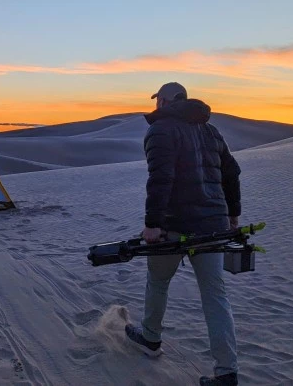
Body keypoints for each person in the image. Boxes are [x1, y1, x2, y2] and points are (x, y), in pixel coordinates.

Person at [124, 82, 242, 386]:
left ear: (164, 101)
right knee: (216, 297)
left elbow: (161, 178)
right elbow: (232, 172)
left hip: (175, 225)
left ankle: (151, 337)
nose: (156, 105)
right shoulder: (210, 131)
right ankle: (227, 371)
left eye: (158, 100)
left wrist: (153, 223)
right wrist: (232, 214)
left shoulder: (161, 130)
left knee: (158, 280)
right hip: (213, 226)